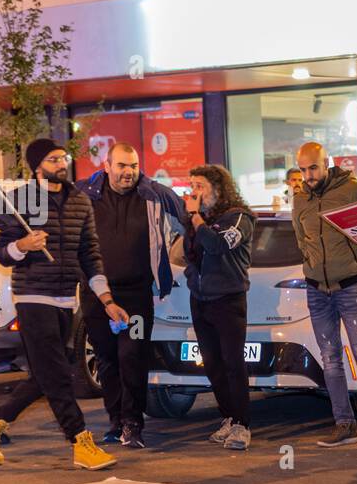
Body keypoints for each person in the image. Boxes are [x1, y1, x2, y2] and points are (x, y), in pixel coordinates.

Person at [0, 138, 128, 470]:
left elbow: (91, 256)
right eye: (53, 158)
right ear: (37, 165)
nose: (61, 163)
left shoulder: (80, 202)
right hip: (32, 297)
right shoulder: (19, 202)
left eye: (63, 157)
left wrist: (107, 300)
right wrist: (23, 245)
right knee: (57, 375)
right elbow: (1, 253)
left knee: (47, 374)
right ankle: (80, 441)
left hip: (65, 299)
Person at [76, 143, 185, 448]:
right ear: (107, 166)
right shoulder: (85, 195)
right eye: (122, 166)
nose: (129, 172)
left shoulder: (155, 194)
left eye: (134, 166)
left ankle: (132, 423)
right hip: (97, 296)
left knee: (132, 355)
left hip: (136, 295)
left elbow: (187, 225)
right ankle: (114, 422)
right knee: (107, 359)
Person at [292, 141, 357, 453]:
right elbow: (302, 240)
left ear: (327, 163)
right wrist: (312, 269)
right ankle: (344, 425)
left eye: (313, 168)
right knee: (330, 360)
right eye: (303, 169)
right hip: (317, 290)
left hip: (352, 287)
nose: (308, 175)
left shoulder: (352, 190)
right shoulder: (299, 200)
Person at [184, 164, 255, 450]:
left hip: (228, 298)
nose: (195, 192)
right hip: (200, 299)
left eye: (200, 185)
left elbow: (218, 245)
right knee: (211, 363)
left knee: (233, 362)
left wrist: (196, 219)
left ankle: (242, 424)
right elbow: (190, 252)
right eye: (192, 185)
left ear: (218, 187)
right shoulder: (199, 219)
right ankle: (227, 417)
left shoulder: (240, 217)